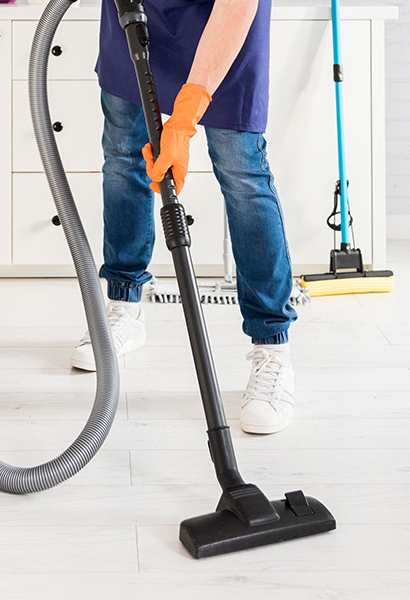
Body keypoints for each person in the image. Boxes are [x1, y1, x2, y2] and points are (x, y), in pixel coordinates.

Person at [71, 0, 298, 435]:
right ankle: (124, 302)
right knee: (123, 153)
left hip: (222, 21)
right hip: (135, 10)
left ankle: (271, 347)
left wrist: (187, 113)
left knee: (241, 169)